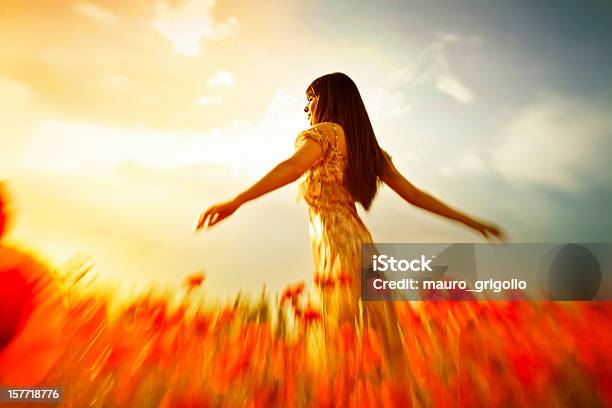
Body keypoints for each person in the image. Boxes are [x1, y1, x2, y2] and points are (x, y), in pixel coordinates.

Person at [195, 72, 506, 351]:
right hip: (361, 245)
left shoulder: (325, 133)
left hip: (338, 243)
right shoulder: (369, 149)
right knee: (375, 335)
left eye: (310, 99)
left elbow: (292, 168)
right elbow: (414, 195)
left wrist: (237, 200)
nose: (306, 108)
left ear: (329, 99)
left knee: (343, 333)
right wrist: (471, 221)